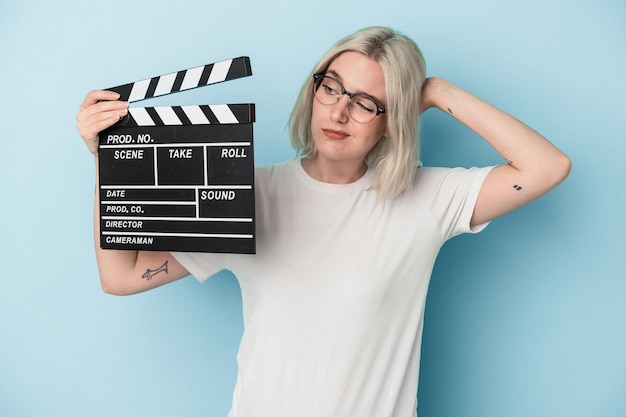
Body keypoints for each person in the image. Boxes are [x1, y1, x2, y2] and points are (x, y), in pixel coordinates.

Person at [76, 26, 570, 417]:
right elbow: (121, 276)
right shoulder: (246, 194)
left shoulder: (425, 198)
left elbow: (547, 167)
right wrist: (108, 159)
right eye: (331, 88)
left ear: (391, 117)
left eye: (365, 102)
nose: (339, 111)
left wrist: (437, 91)